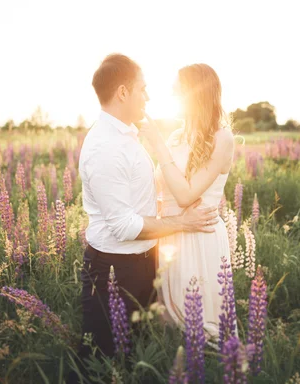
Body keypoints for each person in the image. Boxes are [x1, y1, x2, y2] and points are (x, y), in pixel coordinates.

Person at [75, 54, 219, 372]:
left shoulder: (127, 135)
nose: (149, 97)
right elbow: (124, 226)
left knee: (136, 355)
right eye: (143, 89)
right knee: (103, 362)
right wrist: (182, 222)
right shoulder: (105, 148)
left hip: (143, 263)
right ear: (123, 92)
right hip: (114, 269)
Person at [138, 63, 235, 343]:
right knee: (170, 325)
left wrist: (157, 146)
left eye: (177, 89)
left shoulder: (222, 138)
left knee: (200, 326)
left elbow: (185, 195)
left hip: (199, 237)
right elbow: (161, 185)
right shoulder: (177, 136)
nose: (171, 93)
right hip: (170, 236)